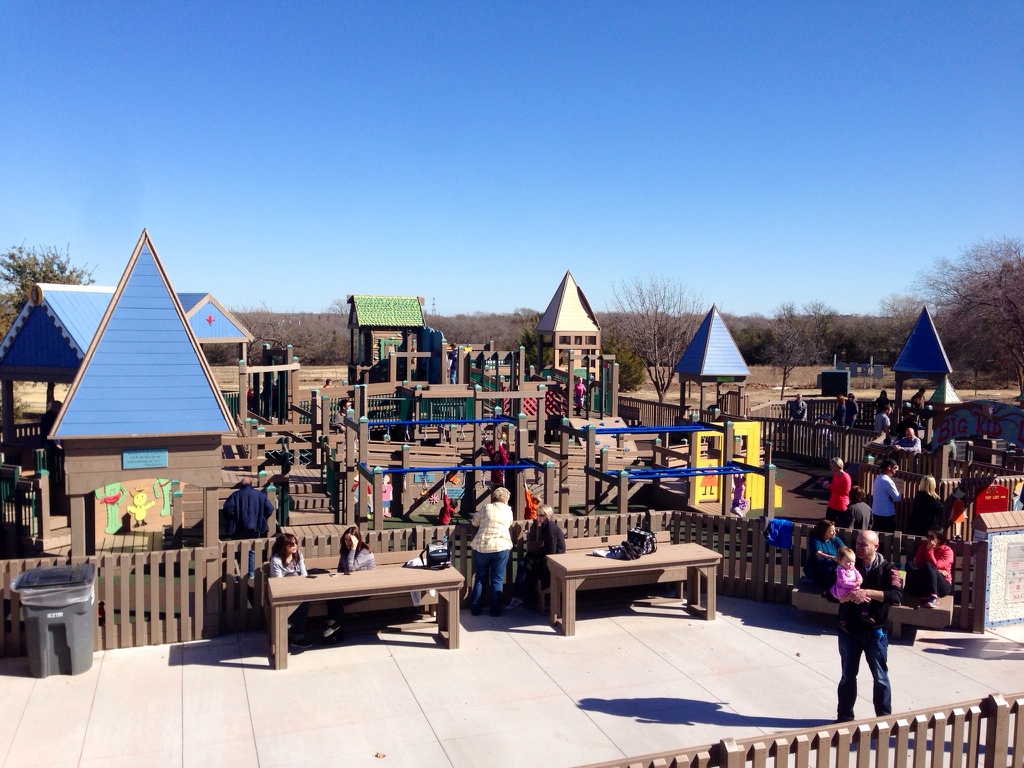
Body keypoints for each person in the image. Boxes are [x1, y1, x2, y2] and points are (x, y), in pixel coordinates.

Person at [829, 530, 903, 722]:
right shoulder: (848, 564)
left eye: (864, 544)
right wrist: (842, 597)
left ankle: (883, 720)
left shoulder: (888, 568)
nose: (859, 547)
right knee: (847, 676)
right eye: (858, 543)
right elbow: (829, 590)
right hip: (849, 630)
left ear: (876, 547)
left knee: (880, 677)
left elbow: (896, 595)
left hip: (875, 631)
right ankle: (844, 718)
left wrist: (867, 592)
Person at [322, 526, 377, 642]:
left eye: (350, 540)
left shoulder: (365, 552)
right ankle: (334, 629)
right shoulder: (345, 551)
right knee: (331, 597)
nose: (348, 542)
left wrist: (353, 548)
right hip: (350, 587)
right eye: (346, 539)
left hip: (366, 588)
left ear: (357, 540)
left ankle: (334, 630)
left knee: (335, 601)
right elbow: (341, 569)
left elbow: (350, 568)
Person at [508, 505, 566, 609]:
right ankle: (522, 597)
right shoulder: (547, 526)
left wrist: (540, 552)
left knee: (524, 566)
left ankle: (520, 597)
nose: (538, 517)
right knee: (525, 564)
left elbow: (552, 550)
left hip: (553, 562)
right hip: (548, 559)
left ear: (547, 516)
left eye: (541, 515)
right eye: (537, 515)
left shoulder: (550, 528)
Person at [469, 486, 514, 617]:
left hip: (482, 546)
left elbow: (474, 522)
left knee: (480, 578)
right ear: (506, 499)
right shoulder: (508, 511)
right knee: (497, 579)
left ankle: (475, 608)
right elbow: (508, 524)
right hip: (501, 546)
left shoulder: (485, 508)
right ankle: (495, 610)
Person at [222, 476, 276, 577]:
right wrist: (262, 518)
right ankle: (251, 574)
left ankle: (238, 573)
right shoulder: (260, 495)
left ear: (241, 484)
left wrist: (231, 519)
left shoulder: (235, 495)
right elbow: (269, 508)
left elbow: (227, 509)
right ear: (251, 484)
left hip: (238, 527)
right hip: (254, 527)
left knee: (237, 551)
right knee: (252, 551)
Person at [269, 533, 312, 649]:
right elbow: (278, 580)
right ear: (284, 545)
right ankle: (297, 635)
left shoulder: (298, 555)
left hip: (299, 588)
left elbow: (304, 574)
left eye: (295, 543)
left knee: (305, 601)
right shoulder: (276, 559)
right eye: (291, 544)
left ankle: (290, 624)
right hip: (282, 591)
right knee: (303, 603)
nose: (295, 545)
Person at [904, 528, 953, 608]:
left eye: (932, 537)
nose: (929, 539)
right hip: (926, 581)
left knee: (928, 565)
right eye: (928, 536)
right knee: (910, 565)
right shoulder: (923, 547)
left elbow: (936, 565)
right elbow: (917, 563)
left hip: (942, 586)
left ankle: (933, 597)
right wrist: (938, 571)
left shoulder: (947, 551)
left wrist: (930, 550)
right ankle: (915, 592)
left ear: (939, 539)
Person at [830, 546, 867, 632]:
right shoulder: (840, 570)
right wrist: (855, 584)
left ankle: (865, 613)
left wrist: (860, 579)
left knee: (863, 597)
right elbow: (844, 583)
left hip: (853, 588)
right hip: (844, 590)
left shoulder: (852, 568)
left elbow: (858, 574)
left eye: (853, 562)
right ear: (840, 561)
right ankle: (842, 621)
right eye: (848, 562)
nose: (851, 564)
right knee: (845, 604)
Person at [803, 519, 846, 590]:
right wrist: (833, 557)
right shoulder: (815, 539)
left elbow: (844, 549)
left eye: (834, 530)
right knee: (828, 566)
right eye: (831, 531)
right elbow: (818, 553)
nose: (834, 533)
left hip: (831, 566)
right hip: (816, 567)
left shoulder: (835, 539)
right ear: (824, 532)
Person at [871, 459, 902, 533]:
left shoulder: (878, 477)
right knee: (887, 536)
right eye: (895, 467)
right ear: (889, 467)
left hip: (876, 511)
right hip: (886, 514)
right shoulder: (887, 481)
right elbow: (897, 498)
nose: (896, 470)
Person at [822, 457, 851, 523]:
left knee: (842, 525)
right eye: (830, 466)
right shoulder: (835, 474)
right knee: (828, 523)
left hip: (841, 505)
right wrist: (827, 486)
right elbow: (834, 487)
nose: (831, 467)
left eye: (833, 466)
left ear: (839, 466)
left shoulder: (846, 477)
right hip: (832, 503)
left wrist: (831, 486)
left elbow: (846, 492)